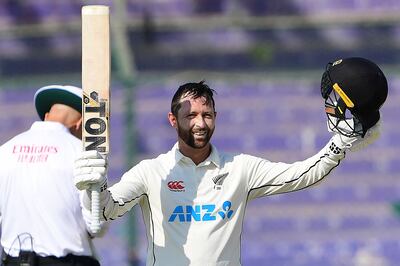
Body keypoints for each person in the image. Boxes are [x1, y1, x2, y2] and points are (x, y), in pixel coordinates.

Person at [74, 57, 388, 266]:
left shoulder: (239, 168)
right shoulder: (150, 172)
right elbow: (104, 212)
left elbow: (299, 175)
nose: (200, 123)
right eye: (191, 115)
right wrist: (95, 185)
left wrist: (340, 144)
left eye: (207, 114)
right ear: (173, 119)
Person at [0, 85, 107, 266]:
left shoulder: (4, 151)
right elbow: (96, 226)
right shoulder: (81, 155)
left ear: (47, 116)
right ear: (81, 124)